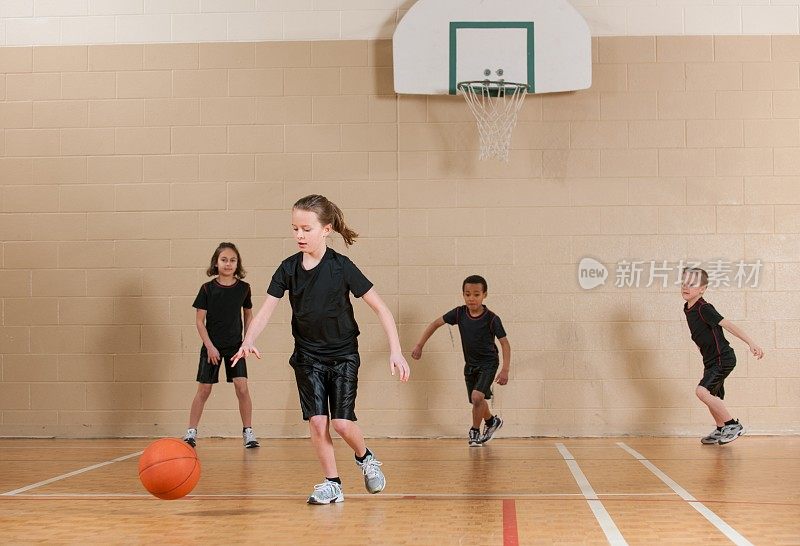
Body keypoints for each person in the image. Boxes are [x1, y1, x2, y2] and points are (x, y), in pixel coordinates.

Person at [231, 194, 410, 505]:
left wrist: (396, 350)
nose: (299, 235)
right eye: (295, 229)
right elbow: (265, 310)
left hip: (343, 355)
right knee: (316, 421)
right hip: (307, 356)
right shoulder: (288, 269)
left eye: (306, 229)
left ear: (326, 229)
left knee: (341, 422)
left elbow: (382, 309)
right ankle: (332, 484)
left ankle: (365, 456)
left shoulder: (342, 267)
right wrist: (249, 339)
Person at [411, 275, 510, 447]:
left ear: (484, 295)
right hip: (470, 365)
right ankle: (492, 422)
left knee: (477, 396)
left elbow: (505, 344)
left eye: (476, 294)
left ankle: (474, 431)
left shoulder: (492, 319)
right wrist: (419, 345)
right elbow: (435, 324)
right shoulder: (459, 313)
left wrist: (505, 370)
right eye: (468, 294)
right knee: (477, 401)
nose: (471, 298)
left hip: (488, 363)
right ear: (463, 295)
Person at [182, 242, 259, 449]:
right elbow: (200, 321)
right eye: (224, 260)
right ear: (216, 263)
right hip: (212, 347)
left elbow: (248, 315)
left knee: (242, 388)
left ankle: (248, 432)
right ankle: (191, 432)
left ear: (237, 263)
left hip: (235, 347)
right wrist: (209, 346)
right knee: (204, 389)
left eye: (232, 260)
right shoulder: (207, 288)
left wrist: (247, 341)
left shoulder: (244, 288)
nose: (228, 264)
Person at [681, 267, 764, 445]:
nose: (686, 287)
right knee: (712, 395)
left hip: (722, 358)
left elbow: (727, 324)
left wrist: (751, 343)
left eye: (692, 284)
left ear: (702, 288)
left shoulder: (704, 308)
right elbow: (699, 335)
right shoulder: (688, 308)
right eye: (684, 282)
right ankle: (720, 429)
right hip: (711, 361)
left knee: (701, 392)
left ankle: (732, 425)